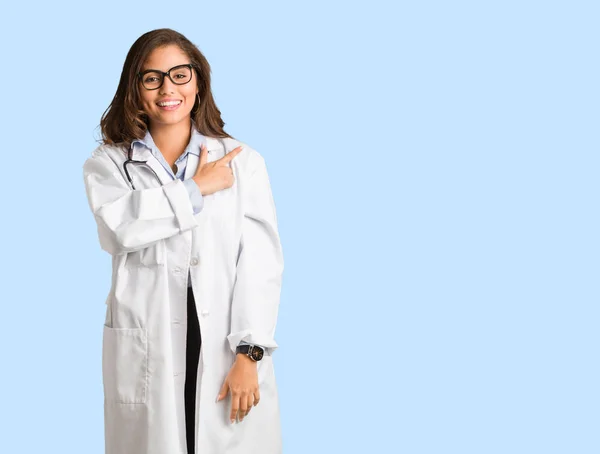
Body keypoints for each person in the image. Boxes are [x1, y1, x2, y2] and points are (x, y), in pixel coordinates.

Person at [82, 28, 284, 454]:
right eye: (151, 78)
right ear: (134, 88)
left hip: (227, 344)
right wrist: (196, 190)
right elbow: (120, 230)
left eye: (180, 74)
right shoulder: (110, 164)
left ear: (198, 81)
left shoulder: (243, 161)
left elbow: (260, 263)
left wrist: (250, 352)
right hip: (149, 344)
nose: (167, 88)